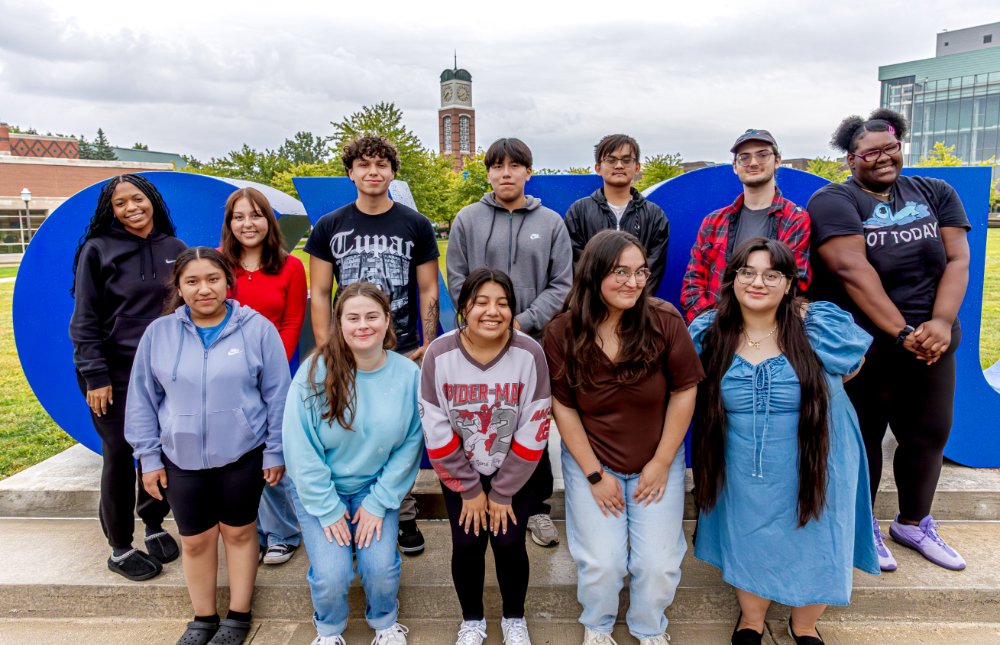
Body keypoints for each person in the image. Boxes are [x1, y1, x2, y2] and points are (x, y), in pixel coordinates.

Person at [688, 237, 879, 645]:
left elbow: (853, 367)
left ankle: (804, 625)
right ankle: (751, 620)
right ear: (732, 279)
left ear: (790, 282)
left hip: (819, 453)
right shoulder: (709, 332)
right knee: (748, 530)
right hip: (740, 457)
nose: (758, 282)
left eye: (771, 274)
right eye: (747, 272)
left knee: (818, 532)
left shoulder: (819, 325)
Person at [807, 108, 971, 572]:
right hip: (868, 345)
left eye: (890, 147)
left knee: (929, 434)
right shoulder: (834, 200)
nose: (883, 158)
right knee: (866, 439)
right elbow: (851, 270)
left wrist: (939, 323)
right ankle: (866, 527)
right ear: (851, 157)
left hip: (934, 340)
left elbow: (957, 259)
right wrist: (901, 332)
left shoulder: (935, 192)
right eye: (870, 152)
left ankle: (914, 523)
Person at [543, 230, 703, 645]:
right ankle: (597, 627)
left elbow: (686, 390)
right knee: (603, 561)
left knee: (657, 562)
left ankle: (649, 628)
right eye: (621, 272)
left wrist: (663, 462)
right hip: (594, 465)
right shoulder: (562, 331)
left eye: (640, 272)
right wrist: (595, 476)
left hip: (656, 462)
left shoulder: (664, 320)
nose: (633, 282)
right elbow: (564, 407)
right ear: (594, 274)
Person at [125, 247, 290, 645]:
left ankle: (238, 615)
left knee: (239, 533)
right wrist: (148, 458)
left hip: (243, 454)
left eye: (213, 279)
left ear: (228, 282)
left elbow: (278, 395)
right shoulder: (159, 334)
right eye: (192, 281)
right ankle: (202, 619)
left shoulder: (257, 329)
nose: (204, 289)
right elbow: (142, 399)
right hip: (179, 458)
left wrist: (275, 450)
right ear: (179, 287)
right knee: (196, 540)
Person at [303, 133, 440, 554]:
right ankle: (353, 505)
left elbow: (429, 288)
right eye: (364, 165)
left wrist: (428, 345)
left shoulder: (414, 224)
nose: (373, 172)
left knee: (401, 432)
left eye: (381, 164)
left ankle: (404, 510)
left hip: (402, 349)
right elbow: (321, 292)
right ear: (351, 172)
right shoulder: (330, 225)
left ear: (393, 172)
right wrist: (329, 347)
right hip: (351, 348)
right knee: (357, 427)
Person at [446, 137, 572, 548]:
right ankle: (481, 498)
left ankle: (536, 511)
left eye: (514, 166)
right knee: (485, 422)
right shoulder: (467, 218)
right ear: (488, 173)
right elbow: (456, 279)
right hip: (477, 345)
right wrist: (484, 322)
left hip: (532, 344)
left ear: (527, 172)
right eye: (497, 166)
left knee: (530, 424)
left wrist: (522, 321)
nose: (505, 173)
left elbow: (561, 284)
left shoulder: (551, 222)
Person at [283, 282, 422, 645]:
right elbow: (300, 449)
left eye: (372, 316)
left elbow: (410, 445)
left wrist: (378, 502)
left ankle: (385, 622)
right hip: (320, 489)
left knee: (380, 569)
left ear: (387, 320)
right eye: (353, 317)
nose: (364, 325)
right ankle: (329, 630)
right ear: (339, 323)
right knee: (332, 574)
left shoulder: (408, 375)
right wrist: (328, 510)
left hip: (373, 488)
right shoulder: (314, 371)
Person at [420, 268, 552, 645]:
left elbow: (535, 423)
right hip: (460, 471)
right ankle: (472, 620)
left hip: (516, 467)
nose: (492, 311)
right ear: (464, 307)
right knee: (467, 542)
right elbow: (436, 425)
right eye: (481, 302)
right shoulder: (439, 354)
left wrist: (504, 490)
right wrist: (468, 489)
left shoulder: (529, 353)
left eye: (503, 303)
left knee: (510, 542)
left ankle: (514, 617)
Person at [69, 174, 186, 581]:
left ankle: (153, 523)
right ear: (111, 210)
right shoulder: (98, 249)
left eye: (137, 199)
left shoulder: (175, 249)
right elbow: (83, 318)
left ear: (151, 199)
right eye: (121, 203)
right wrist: (95, 374)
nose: (131, 208)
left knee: (161, 451)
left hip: (162, 374)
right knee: (119, 452)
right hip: (112, 374)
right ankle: (119, 547)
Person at [220, 186, 307, 566]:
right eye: (239, 216)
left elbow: (291, 323)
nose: (247, 223)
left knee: (273, 452)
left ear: (268, 220)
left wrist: (270, 367)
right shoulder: (219, 265)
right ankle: (247, 531)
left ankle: (283, 532)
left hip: (274, 373)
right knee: (234, 455)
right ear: (229, 224)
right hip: (224, 375)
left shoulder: (290, 266)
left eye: (255, 215)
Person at [681, 129, 811, 323]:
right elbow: (693, 281)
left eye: (762, 155)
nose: (753, 163)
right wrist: (709, 326)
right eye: (744, 157)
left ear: (777, 161)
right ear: (735, 166)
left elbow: (794, 284)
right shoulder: (713, 221)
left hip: (768, 334)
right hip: (714, 331)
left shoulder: (795, 219)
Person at [564, 134, 670, 294]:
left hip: (637, 309)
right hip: (592, 308)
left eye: (626, 160)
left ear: (637, 168)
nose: (619, 165)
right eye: (611, 160)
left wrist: (633, 300)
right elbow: (575, 264)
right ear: (598, 168)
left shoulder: (655, 215)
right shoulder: (579, 211)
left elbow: (654, 269)